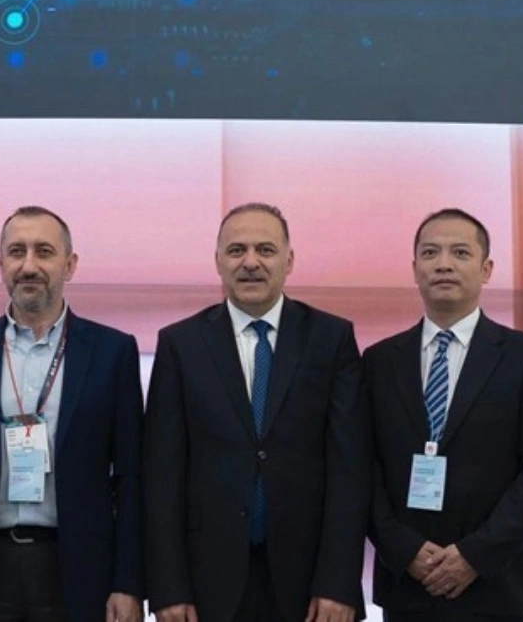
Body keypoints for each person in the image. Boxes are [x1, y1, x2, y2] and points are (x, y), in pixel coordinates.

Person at [0, 206, 144, 622]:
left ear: (70, 264)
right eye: (17, 252)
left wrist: (128, 583)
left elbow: (130, 477)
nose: (29, 266)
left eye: (44, 251)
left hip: (80, 567)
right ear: (1, 264)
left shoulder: (114, 352)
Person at [145, 203, 368, 622]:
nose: (250, 262)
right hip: (208, 583)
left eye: (265, 249)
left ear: (289, 260)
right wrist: (169, 588)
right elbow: (163, 475)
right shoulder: (180, 344)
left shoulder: (331, 338)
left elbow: (349, 471)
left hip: (310, 585)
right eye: (237, 250)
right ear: (218, 261)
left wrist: (338, 583)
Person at [364, 208, 523, 622]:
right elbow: (361, 467)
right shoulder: (379, 361)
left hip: (495, 586)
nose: (443, 264)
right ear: (415, 269)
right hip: (408, 587)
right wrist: (404, 550)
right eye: (430, 253)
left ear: (486, 269)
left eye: (460, 252)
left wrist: (475, 555)